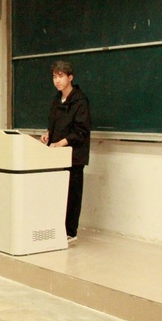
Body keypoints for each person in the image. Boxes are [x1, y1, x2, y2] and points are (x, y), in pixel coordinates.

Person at [40, 60, 91, 243]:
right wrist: (48, 134)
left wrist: (61, 143)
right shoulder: (57, 99)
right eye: (54, 76)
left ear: (70, 77)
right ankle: (56, 227)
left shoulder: (80, 101)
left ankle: (70, 231)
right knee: (57, 194)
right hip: (56, 156)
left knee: (72, 194)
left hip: (73, 156)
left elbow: (81, 131)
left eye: (61, 76)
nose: (57, 80)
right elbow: (54, 123)